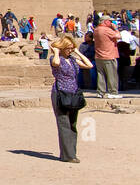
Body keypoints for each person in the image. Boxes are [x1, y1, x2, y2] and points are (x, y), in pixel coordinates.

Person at [49, 35, 91, 163]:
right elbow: (55, 63)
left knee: (72, 124)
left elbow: (89, 65)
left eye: (71, 48)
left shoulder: (72, 60)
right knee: (64, 124)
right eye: (67, 48)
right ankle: (68, 156)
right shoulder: (56, 58)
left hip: (73, 93)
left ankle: (71, 153)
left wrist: (77, 52)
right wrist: (56, 51)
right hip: (60, 92)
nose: (69, 50)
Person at [92, 17, 121, 99]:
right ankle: (113, 92)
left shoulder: (96, 29)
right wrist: (116, 29)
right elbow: (118, 36)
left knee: (101, 75)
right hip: (109, 55)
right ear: (105, 21)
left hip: (99, 56)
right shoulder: (107, 30)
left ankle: (100, 92)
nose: (112, 23)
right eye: (110, 21)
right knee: (112, 75)